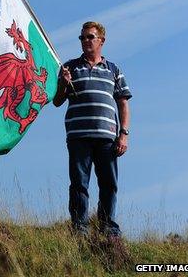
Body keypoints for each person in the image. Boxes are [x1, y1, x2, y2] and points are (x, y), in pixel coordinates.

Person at [53, 21, 132, 237]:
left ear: (101, 40)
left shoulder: (113, 70)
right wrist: (62, 83)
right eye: (82, 37)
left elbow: (123, 103)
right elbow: (57, 101)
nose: (85, 41)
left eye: (90, 37)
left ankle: (108, 228)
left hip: (107, 137)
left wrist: (123, 135)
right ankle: (80, 228)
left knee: (109, 184)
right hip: (78, 136)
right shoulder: (69, 68)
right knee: (79, 184)